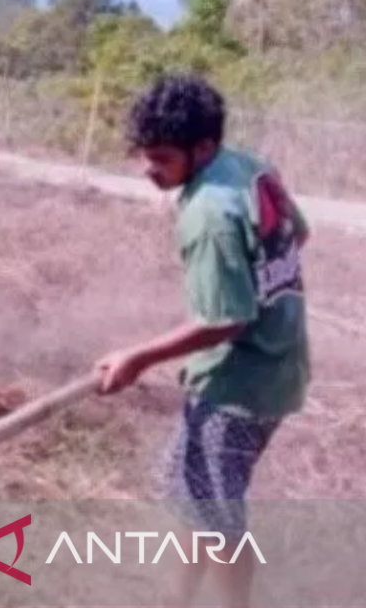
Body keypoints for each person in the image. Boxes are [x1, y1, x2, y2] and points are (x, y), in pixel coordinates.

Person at [94, 72, 311, 607]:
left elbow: (227, 320)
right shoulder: (251, 168)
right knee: (195, 493)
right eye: (144, 155)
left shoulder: (209, 215)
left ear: (203, 146)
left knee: (217, 519)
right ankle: (177, 597)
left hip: (239, 386)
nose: (148, 170)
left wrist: (137, 358)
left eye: (162, 159)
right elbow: (298, 233)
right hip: (279, 362)